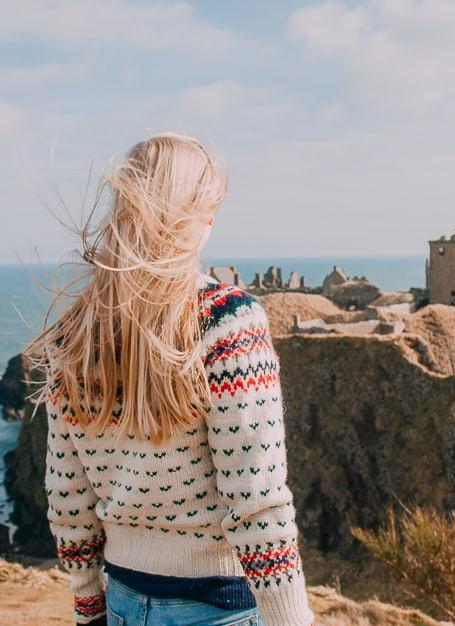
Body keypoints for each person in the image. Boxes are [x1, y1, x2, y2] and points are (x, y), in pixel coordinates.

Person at [25, 133, 315, 626]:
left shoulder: (74, 333)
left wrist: (88, 604)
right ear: (194, 217)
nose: (213, 221)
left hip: (123, 601)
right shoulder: (227, 320)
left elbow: (68, 494)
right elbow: (256, 498)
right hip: (220, 607)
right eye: (211, 208)